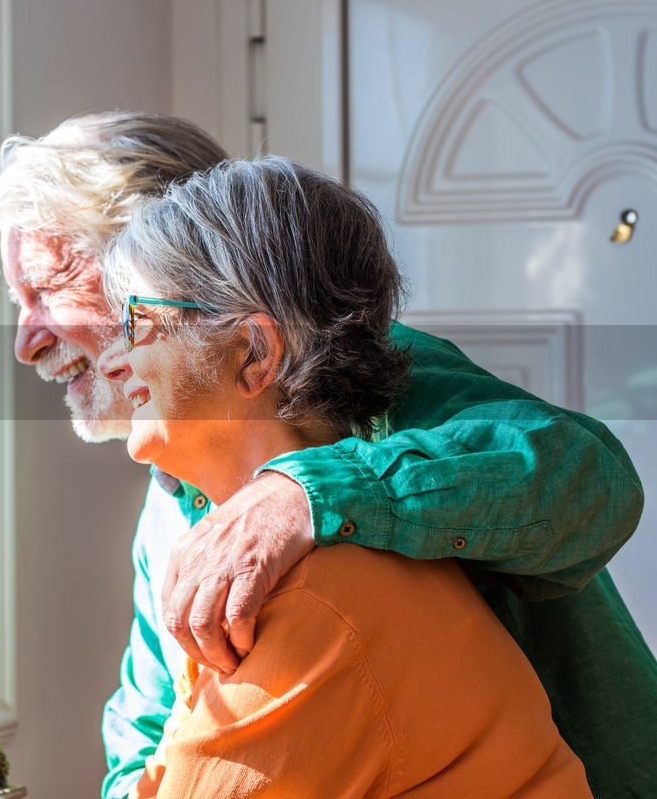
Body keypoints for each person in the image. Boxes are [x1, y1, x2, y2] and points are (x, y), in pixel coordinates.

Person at [0, 111, 656, 799]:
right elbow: (148, 728)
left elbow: (592, 483)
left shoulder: (371, 375)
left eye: (49, 287)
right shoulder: (168, 494)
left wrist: (307, 491)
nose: (27, 341)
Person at [96, 156, 589, 797]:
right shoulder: (240, 548)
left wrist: (302, 493)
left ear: (253, 352)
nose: (109, 359)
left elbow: (582, 471)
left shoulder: (312, 595)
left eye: (137, 321)